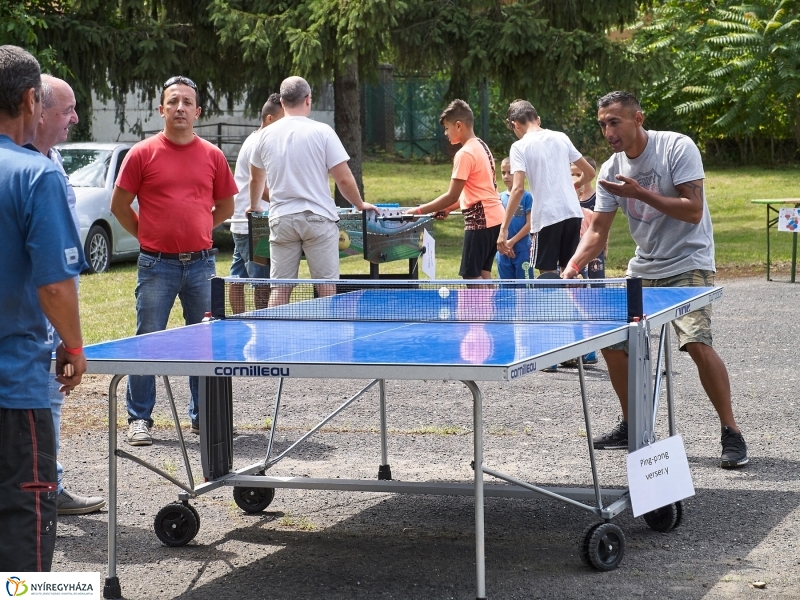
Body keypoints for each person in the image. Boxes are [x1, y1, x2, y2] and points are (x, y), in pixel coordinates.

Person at [562, 90, 748, 469]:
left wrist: (641, 193)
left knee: (696, 343)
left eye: (615, 122)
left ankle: (731, 431)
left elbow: (693, 210)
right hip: (643, 268)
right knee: (613, 342)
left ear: (638, 119)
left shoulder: (676, 147)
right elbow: (597, 231)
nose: (608, 131)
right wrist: (573, 266)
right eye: (603, 124)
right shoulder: (610, 170)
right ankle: (632, 424)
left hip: (689, 262)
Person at [111, 75, 237, 445]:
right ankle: (139, 418)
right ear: (161, 109)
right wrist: (148, 235)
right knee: (148, 340)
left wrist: (198, 228)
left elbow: (226, 206)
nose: (180, 107)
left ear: (197, 111)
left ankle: (203, 416)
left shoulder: (212, 156)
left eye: (187, 102)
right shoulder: (141, 154)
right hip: (156, 266)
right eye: (173, 101)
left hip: (202, 265)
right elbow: (119, 206)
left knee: (204, 343)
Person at [0, 45, 86, 571]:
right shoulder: (36, 174)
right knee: (22, 529)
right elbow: (55, 286)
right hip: (13, 388)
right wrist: (73, 345)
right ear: (32, 99)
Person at [24, 74, 105, 514]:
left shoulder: (52, 159)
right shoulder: (21, 166)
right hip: (31, 314)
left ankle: (48, 486)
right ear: (38, 110)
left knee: (50, 400)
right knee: (30, 407)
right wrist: (71, 343)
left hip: (54, 310)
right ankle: (38, 495)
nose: (75, 118)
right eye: (67, 110)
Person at [248, 76, 376, 306]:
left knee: (280, 287)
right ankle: (329, 329)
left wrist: (255, 205)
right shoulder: (323, 131)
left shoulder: (264, 135)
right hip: (318, 219)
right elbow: (343, 178)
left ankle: (274, 331)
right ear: (308, 99)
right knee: (326, 287)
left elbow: (256, 178)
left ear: (282, 102)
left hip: (281, 219)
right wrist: (359, 204)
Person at [405, 99, 505, 281]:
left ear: (458, 126)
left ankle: (479, 302)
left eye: (446, 128)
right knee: (483, 273)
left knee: (471, 276)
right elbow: (478, 191)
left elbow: (452, 195)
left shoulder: (464, 153)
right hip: (496, 218)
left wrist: (418, 211)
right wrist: (449, 208)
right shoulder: (482, 145)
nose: (445, 133)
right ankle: (490, 302)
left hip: (480, 222)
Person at [499, 100, 595, 277]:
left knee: (547, 275)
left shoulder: (519, 147)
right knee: (570, 271)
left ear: (515, 124)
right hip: (573, 213)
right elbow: (589, 172)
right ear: (538, 119)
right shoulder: (561, 137)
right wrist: (575, 185)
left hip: (547, 217)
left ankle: (556, 296)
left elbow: (518, 189)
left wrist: (503, 228)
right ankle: (574, 295)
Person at [229, 93, 283, 313]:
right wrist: (287, 201)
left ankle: (237, 322)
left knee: (237, 276)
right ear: (270, 119)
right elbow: (259, 186)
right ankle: (262, 322)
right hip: (252, 225)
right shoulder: (259, 144)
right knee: (262, 282)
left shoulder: (258, 140)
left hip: (247, 223)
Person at [495, 157, 533, 279]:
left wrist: (511, 242)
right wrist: (504, 246)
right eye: (503, 173)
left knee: (525, 288)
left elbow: (530, 224)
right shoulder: (498, 197)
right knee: (506, 288)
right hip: (503, 252)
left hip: (523, 251)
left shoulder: (527, 197)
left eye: (510, 172)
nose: (506, 176)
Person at [571, 157, 607, 279]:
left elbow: (604, 225)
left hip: (593, 247)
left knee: (596, 279)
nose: (575, 178)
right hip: (575, 248)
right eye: (572, 174)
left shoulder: (597, 198)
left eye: (578, 174)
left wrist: (605, 246)